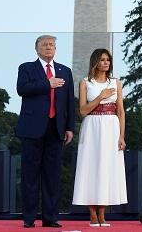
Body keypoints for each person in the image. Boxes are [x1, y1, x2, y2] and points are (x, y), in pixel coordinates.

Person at [16, 35, 75, 228]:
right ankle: (29, 218)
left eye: (52, 45)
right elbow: (22, 89)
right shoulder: (26, 68)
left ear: (56, 49)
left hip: (56, 129)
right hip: (32, 129)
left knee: (52, 176)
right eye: (45, 45)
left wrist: (69, 128)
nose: (49, 47)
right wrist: (47, 84)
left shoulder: (65, 71)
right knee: (30, 175)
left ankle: (50, 218)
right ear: (37, 49)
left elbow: (68, 103)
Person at [72, 48, 127, 227]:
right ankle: (92, 213)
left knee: (106, 167)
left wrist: (121, 136)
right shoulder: (85, 82)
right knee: (91, 166)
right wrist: (100, 97)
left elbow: (120, 110)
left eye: (108, 60)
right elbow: (82, 111)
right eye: (102, 60)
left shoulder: (116, 82)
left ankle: (103, 213)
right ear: (95, 61)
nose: (106, 63)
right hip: (92, 125)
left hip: (111, 126)